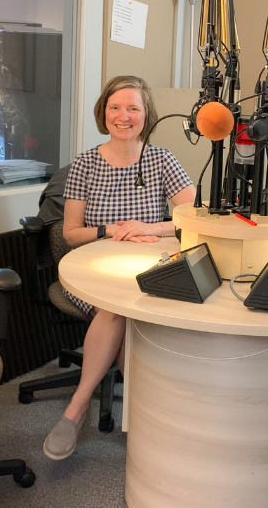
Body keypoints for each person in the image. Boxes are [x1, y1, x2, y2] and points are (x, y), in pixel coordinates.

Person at [43, 75, 196, 460]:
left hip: (144, 271)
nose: (123, 116)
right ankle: (82, 408)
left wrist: (148, 228)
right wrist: (111, 230)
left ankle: (141, 418)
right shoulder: (84, 164)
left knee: (130, 309)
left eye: (133, 108)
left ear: (146, 115)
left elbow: (194, 218)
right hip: (89, 276)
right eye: (115, 107)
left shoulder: (162, 160)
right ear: (103, 112)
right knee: (116, 309)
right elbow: (72, 234)